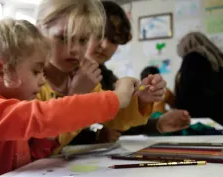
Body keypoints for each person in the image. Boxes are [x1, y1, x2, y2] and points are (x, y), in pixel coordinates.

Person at [0, 7, 139, 177]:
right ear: (0, 71)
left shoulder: (11, 112)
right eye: (36, 71)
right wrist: (116, 98)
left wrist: (48, 140)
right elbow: (46, 116)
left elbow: (32, 158)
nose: (43, 80)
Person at [34, 0, 166, 154]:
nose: (75, 49)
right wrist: (76, 97)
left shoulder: (83, 76)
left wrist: (141, 100)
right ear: (39, 33)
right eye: (63, 38)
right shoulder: (30, 82)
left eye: (83, 40)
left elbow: (113, 117)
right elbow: (40, 146)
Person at [175, 32, 223, 125]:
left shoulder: (192, 58)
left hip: (201, 115)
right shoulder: (216, 58)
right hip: (218, 113)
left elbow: (187, 88)